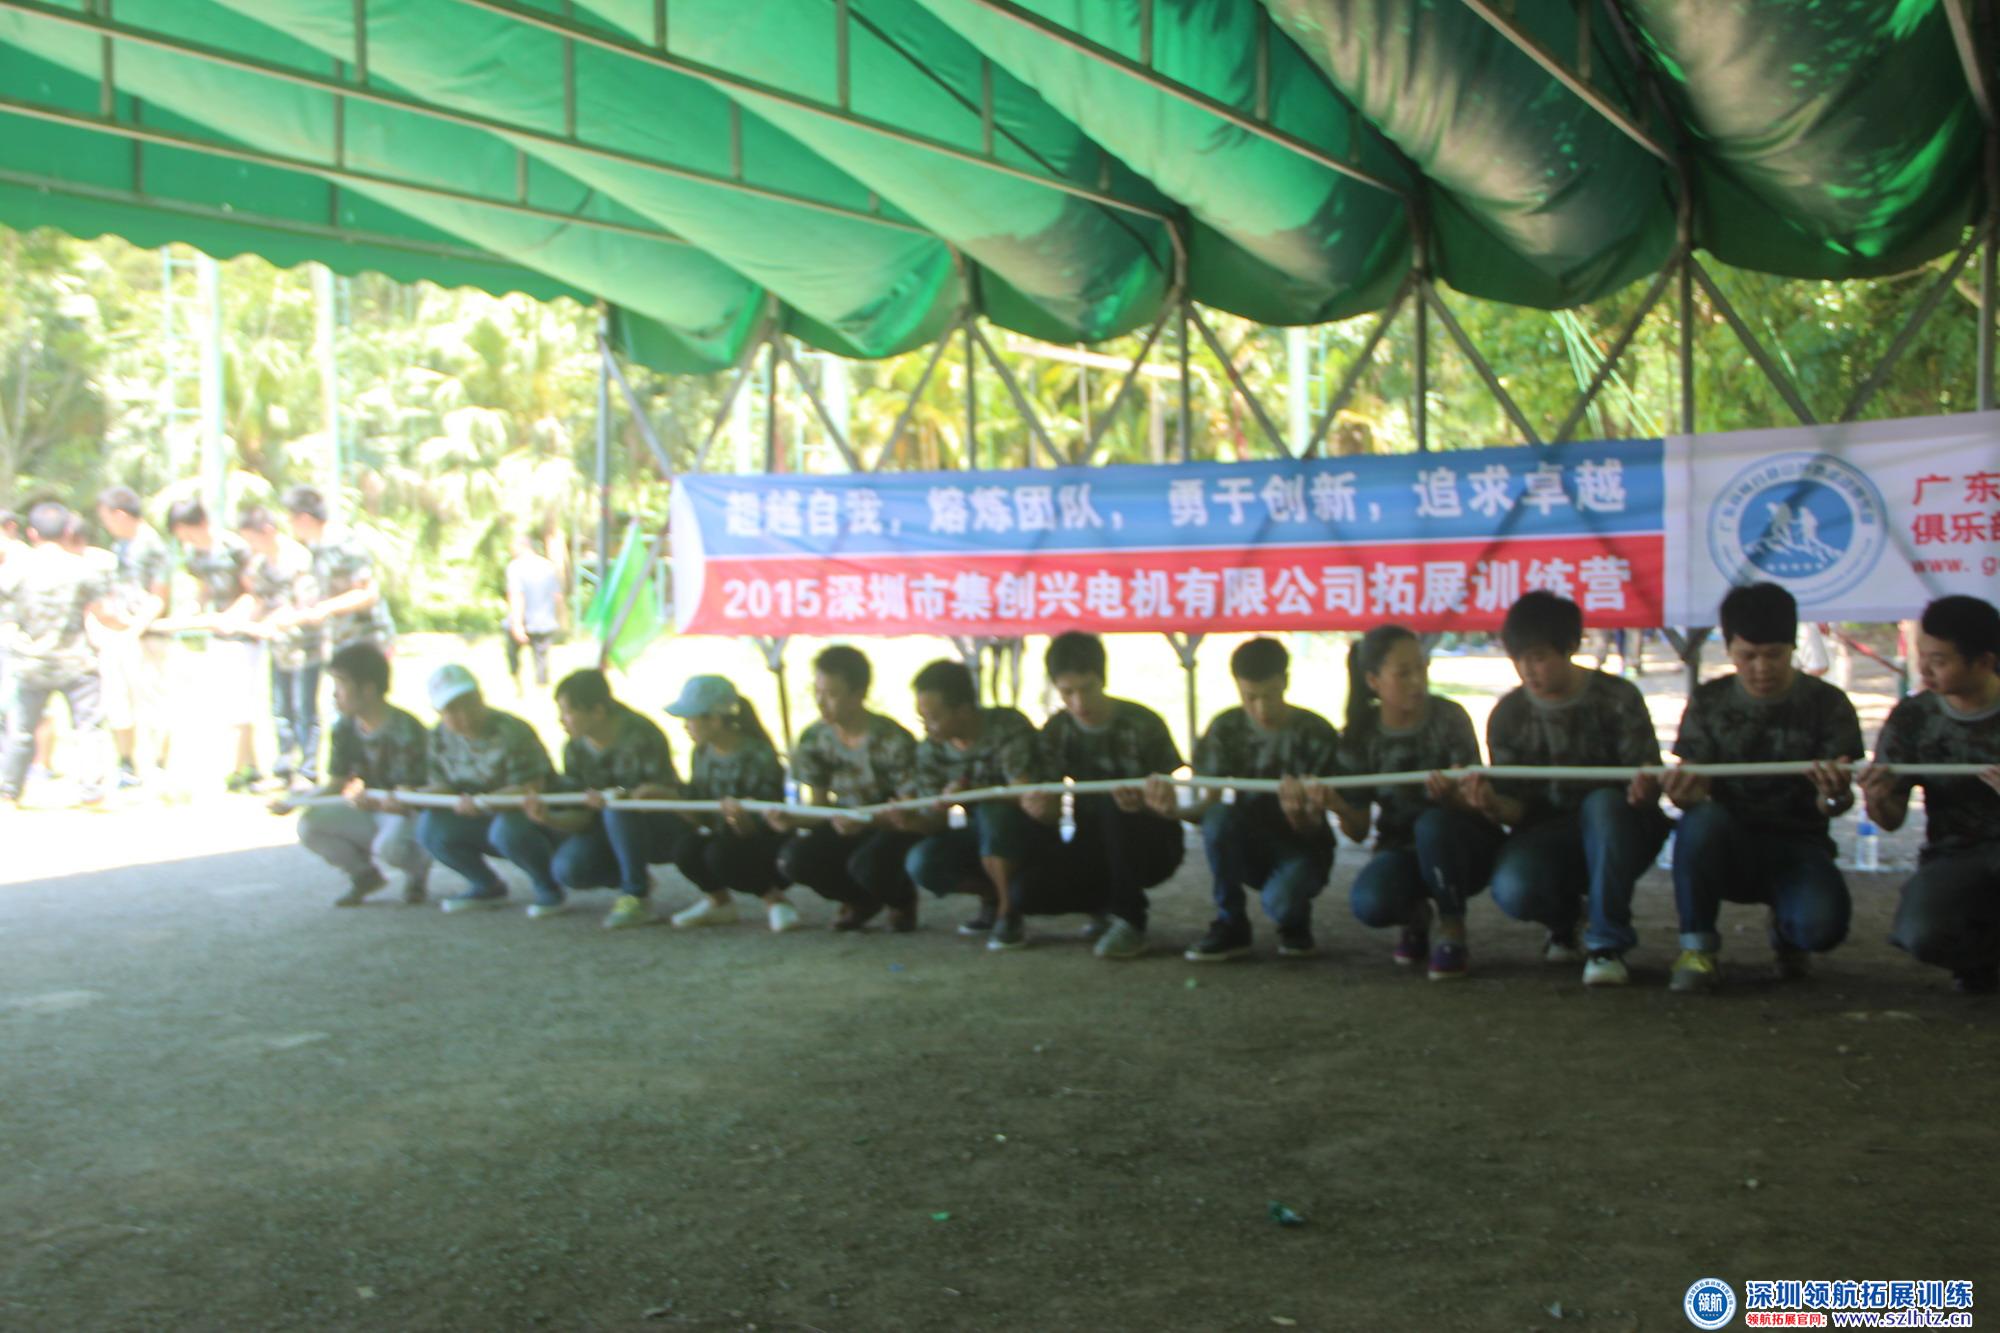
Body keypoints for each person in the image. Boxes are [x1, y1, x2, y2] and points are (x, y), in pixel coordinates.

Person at [1461, 591, 1670, 987]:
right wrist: (1491, 804)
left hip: (1618, 829)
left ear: (1571, 646)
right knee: (1513, 888)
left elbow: (1647, 784)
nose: (1527, 670)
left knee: (1604, 805)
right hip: (1545, 833)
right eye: (1518, 658)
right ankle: (1565, 919)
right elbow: (1517, 807)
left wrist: (1644, 792)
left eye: (1538, 657)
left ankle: (1607, 943)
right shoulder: (1507, 714)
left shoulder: (1618, 698)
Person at [1660, 584, 1860, 992]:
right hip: (1729, 843)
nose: (1761, 668)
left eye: (1774, 655)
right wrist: (1684, 793)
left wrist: (1834, 794)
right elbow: (1690, 791)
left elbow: (1835, 803)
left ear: (1793, 648)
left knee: (1821, 929)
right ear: (1729, 650)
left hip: (1800, 845)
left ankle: (1789, 934)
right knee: (1699, 823)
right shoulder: (1709, 702)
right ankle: (1697, 947)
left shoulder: (1828, 704)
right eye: (1747, 656)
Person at [1153, 637, 1340, 963]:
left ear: (1286, 682)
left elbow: (1320, 823)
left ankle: (1294, 920)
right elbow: (1207, 810)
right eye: (1250, 697)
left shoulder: (1317, 732)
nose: (1261, 708)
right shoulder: (1226, 728)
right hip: (1249, 842)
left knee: (1282, 901)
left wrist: (1300, 815)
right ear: (1237, 687)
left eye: (1270, 695)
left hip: (1304, 847)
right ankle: (1231, 922)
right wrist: (1175, 812)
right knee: (1220, 817)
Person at [1858, 595, 2000, 994]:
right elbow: (1890, 820)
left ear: (1984, 662)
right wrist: (1877, 798)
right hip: (1954, 854)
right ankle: (1979, 962)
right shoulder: (1913, 717)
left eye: (1939, 661)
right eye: (1922, 656)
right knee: (1921, 932)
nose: (1924, 669)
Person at [1338, 624, 1492, 981]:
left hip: (1462, 847)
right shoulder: (1358, 736)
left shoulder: (1450, 718)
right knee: (1370, 903)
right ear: (1373, 681)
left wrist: (1456, 797)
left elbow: (1479, 803)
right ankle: (1415, 916)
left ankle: (1453, 926)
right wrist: (1336, 805)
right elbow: (1358, 830)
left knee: (1433, 824)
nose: (1418, 681)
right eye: (1403, 673)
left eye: (1422, 668)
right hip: (1400, 849)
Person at [1035, 631, 1186, 960]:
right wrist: (1038, 809)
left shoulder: (1144, 724)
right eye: (1067, 692)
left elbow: (1172, 802)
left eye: (1086, 689)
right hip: (1089, 842)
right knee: (1027, 893)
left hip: (1150, 844)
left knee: (1114, 806)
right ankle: (1100, 906)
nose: (1079, 703)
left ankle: (1130, 920)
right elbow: (1049, 807)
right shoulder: (1056, 731)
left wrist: (1148, 805)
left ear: (1103, 679)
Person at [893, 659, 1053, 951]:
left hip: (1024, 831)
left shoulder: (1007, 726)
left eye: (934, 717)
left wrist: (972, 793)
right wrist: (911, 821)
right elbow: (935, 819)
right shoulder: (930, 750)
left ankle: (1008, 912)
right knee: (922, 862)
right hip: (976, 834)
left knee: (994, 813)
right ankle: (994, 895)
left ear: (964, 711)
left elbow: (1024, 791)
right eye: (922, 718)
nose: (927, 726)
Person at [771, 645, 922, 932]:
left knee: (868, 864)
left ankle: (901, 899)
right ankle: (860, 901)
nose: (820, 702)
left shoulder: (893, 740)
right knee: (793, 860)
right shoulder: (814, 737)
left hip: (889, 826)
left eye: (831, 694)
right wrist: (790, 818)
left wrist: (869, 820)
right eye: (816, 692)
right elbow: (818, 806)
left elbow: (910, 811)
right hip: (843, 822)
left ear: (858, 694)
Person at [521, 668, 684, 930]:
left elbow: (661, 793)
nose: (561, 720)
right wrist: (549, 818)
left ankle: (635, 894)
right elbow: (582, 815)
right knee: (569, 869)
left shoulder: (643, 735)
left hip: (656, 826)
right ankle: (630, 877)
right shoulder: (574, 748)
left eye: (568, 712)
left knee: (617, 808)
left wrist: (620, 797)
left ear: (597, 711)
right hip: (603, 827)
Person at [280, 642, 431, 906]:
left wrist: (372, 800)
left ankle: (417, 870)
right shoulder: (344, 727)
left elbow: (409, 794)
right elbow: (336, 783)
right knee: (310, 824)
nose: (334, 694)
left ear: (368, 689)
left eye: (341, 684)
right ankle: (364, 875)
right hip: (372, 806)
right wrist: (296, 802)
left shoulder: (406, 729)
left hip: (406, 811)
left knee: (390, 847)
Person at [0, 502, 124, 806]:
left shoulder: (14, 569)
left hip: (31, 660)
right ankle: (92, 792)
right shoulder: (84, 568)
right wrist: (133, 625)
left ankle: (8, 790)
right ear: (68, 531)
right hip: (77, 660)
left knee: (21, 731)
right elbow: (104, 613)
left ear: (32, 533)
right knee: (88, 728)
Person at [413, 664, 560, 914]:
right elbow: (441, 784)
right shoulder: (438, 736)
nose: (464, 715)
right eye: (452, 709)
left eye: (469, 703)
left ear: (481, 697)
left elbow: (530, 787)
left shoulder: (512, 731)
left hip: (528, 816)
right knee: (430, 828)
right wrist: (411, 795)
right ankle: (486, 885)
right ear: (438, 712)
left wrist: (482, 801)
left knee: (507, 830)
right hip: (477, 815)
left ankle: (548, 887)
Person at [661, 675, 802, 933]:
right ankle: (719, 902)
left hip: (763, 843)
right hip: (723, 834)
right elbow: (702, 812)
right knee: (685, 847)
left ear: (715, 720)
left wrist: (740, 818)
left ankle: (774, 898)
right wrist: (669, 798)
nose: (685, 726)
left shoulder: (757, 754)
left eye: (690, 718)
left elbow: (765, 824)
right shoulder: (701, 753)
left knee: (720, 853)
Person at [167, 499, 265, 791]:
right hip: (218, 634)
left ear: (200, 524)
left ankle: (235, 770)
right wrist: (195, 611)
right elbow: (205, 588)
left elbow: (254, 593)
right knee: (227, 702)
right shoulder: (194, 556)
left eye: (187, 532)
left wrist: (232, 618)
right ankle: (251, 767)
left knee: (241, 702)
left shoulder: (235, 549)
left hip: (244, 633)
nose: (186, 539)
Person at [238, 506, 323, 788]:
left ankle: (307, 771)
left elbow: (303, 603)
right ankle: (284, 768)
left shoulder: (299, 558)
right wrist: (242, 623)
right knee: (280, 709)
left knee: (304, 710)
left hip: (305, 647)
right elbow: (260, 600)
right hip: (278, 647)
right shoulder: (260, 565)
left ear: (268, 531)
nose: (251, 545)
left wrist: (273, 621)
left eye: (252, 538)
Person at [93, 487, 173, 788]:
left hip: (148, 635)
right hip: (119, 632)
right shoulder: (119, 546)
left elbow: (159, 596)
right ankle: (127, 764)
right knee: (118, 700)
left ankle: (158, 764)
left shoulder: (153, 545)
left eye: (106, 518)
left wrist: (135, 628)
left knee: (152, 700)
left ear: (120, 514)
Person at [277, 485, 395, 653]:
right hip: (341, 639)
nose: (290, 525)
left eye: (290, 519)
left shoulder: (344, 544)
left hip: (369, 640)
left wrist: (324, 609)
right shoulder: (315, 548)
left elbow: (367, 593)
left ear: (304, 518)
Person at [504, 534, 565, 692]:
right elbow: (557, 596)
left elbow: (517, 596)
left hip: (524, 621)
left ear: (521, 546)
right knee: (541, 659)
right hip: (545, 621)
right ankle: (542, 689)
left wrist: (517, 624)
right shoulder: (548, 566)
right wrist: (558, 619)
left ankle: (517, 687)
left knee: (512, 654)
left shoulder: (515, 567)